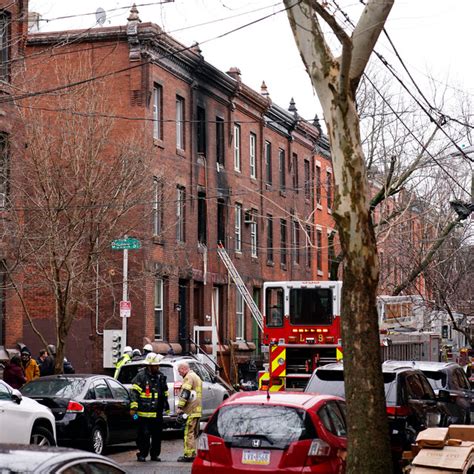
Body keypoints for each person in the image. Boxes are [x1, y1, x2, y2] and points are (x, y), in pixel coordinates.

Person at [130, 352, 169, 463]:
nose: (158, 367)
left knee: (157, 436)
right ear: (150, 366)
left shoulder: (161, 376)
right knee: (144, 435)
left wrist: (166, 406)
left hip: (157, 414)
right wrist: (134, 408)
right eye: (155, 365)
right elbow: (134, 393)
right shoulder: (141, 376)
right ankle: (142, 454)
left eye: (158, 365)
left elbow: (164, 392)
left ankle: (154, 455)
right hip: (143, 414)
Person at [176, 361, 202, 462]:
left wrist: (180, 407)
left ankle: (189, 455)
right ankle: (192, 453)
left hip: (190, 410)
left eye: (179, 371)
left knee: (188, 432)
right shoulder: (196, 376)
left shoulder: (189, 377)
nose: (179, 373)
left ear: (184, 369)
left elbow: (185, 392)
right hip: (196, 410)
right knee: (193, 433)